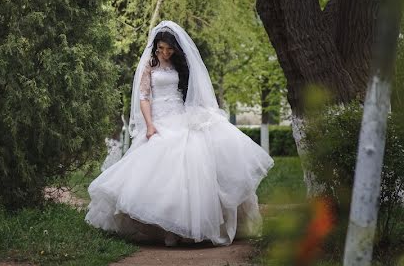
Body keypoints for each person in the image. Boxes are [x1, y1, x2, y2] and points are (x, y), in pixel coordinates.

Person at [85, 20, 274, 246]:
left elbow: (188, 93)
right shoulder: (149, 66)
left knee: (194, 161)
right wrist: (150, 125)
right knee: (159, 169)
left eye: (169, 49)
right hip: (159, 119)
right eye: (160, 48)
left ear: (175, 49)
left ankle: (186, 229)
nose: (164, 53)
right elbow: (144, 97)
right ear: (155, 47)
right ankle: (166, 229)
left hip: (179, 115)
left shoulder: (178, 67)